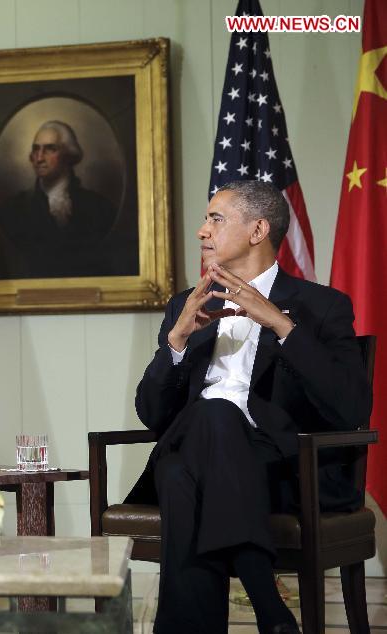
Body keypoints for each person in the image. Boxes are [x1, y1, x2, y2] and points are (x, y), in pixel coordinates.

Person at [128, 180, 371, 634]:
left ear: (258, 229)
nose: (202, 231)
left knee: (181, 476)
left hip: (279, 468)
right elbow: (152, 414)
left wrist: (280, 325)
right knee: (212, 414)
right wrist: (176, 342)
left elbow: (351, 406)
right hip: (215, 457)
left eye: (215, 219)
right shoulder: (186, 305)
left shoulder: (321, 306)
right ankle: (268, 604)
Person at [0, 120, 117, 278]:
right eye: (35, 149)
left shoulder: (100, 207)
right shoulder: (12, 209)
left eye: (50, 149)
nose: (39, 158)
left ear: (68, 155)